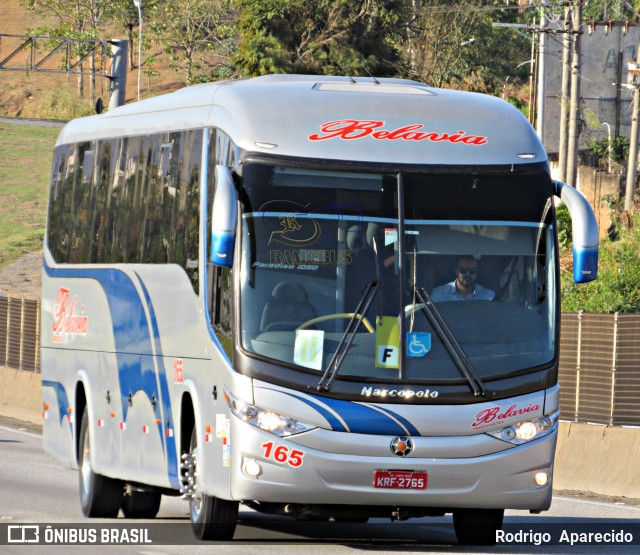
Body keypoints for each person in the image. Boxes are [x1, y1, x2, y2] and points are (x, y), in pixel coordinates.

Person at [431, 255, 495, 302]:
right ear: (456, 270)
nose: (468, 274)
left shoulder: (488, 296)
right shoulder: (439, 295)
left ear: (477, 271)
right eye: (463, 270)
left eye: (472, 271)